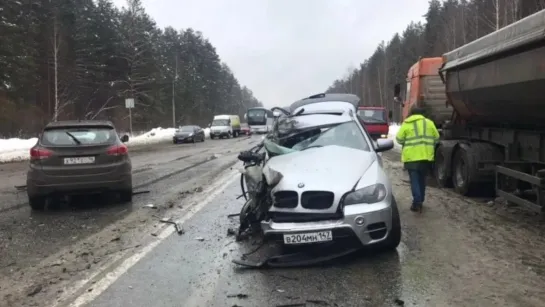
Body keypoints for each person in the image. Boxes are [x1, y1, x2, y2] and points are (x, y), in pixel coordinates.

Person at [395, 107, 439, 212]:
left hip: (411, 158)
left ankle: (417, 202)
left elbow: (399, 139)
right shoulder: (429, 123)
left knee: (414, 180)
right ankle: (421, 200)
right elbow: (436, 138)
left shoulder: (407, 124)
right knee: (422, 180)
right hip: (426, 157)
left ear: (411, 114)